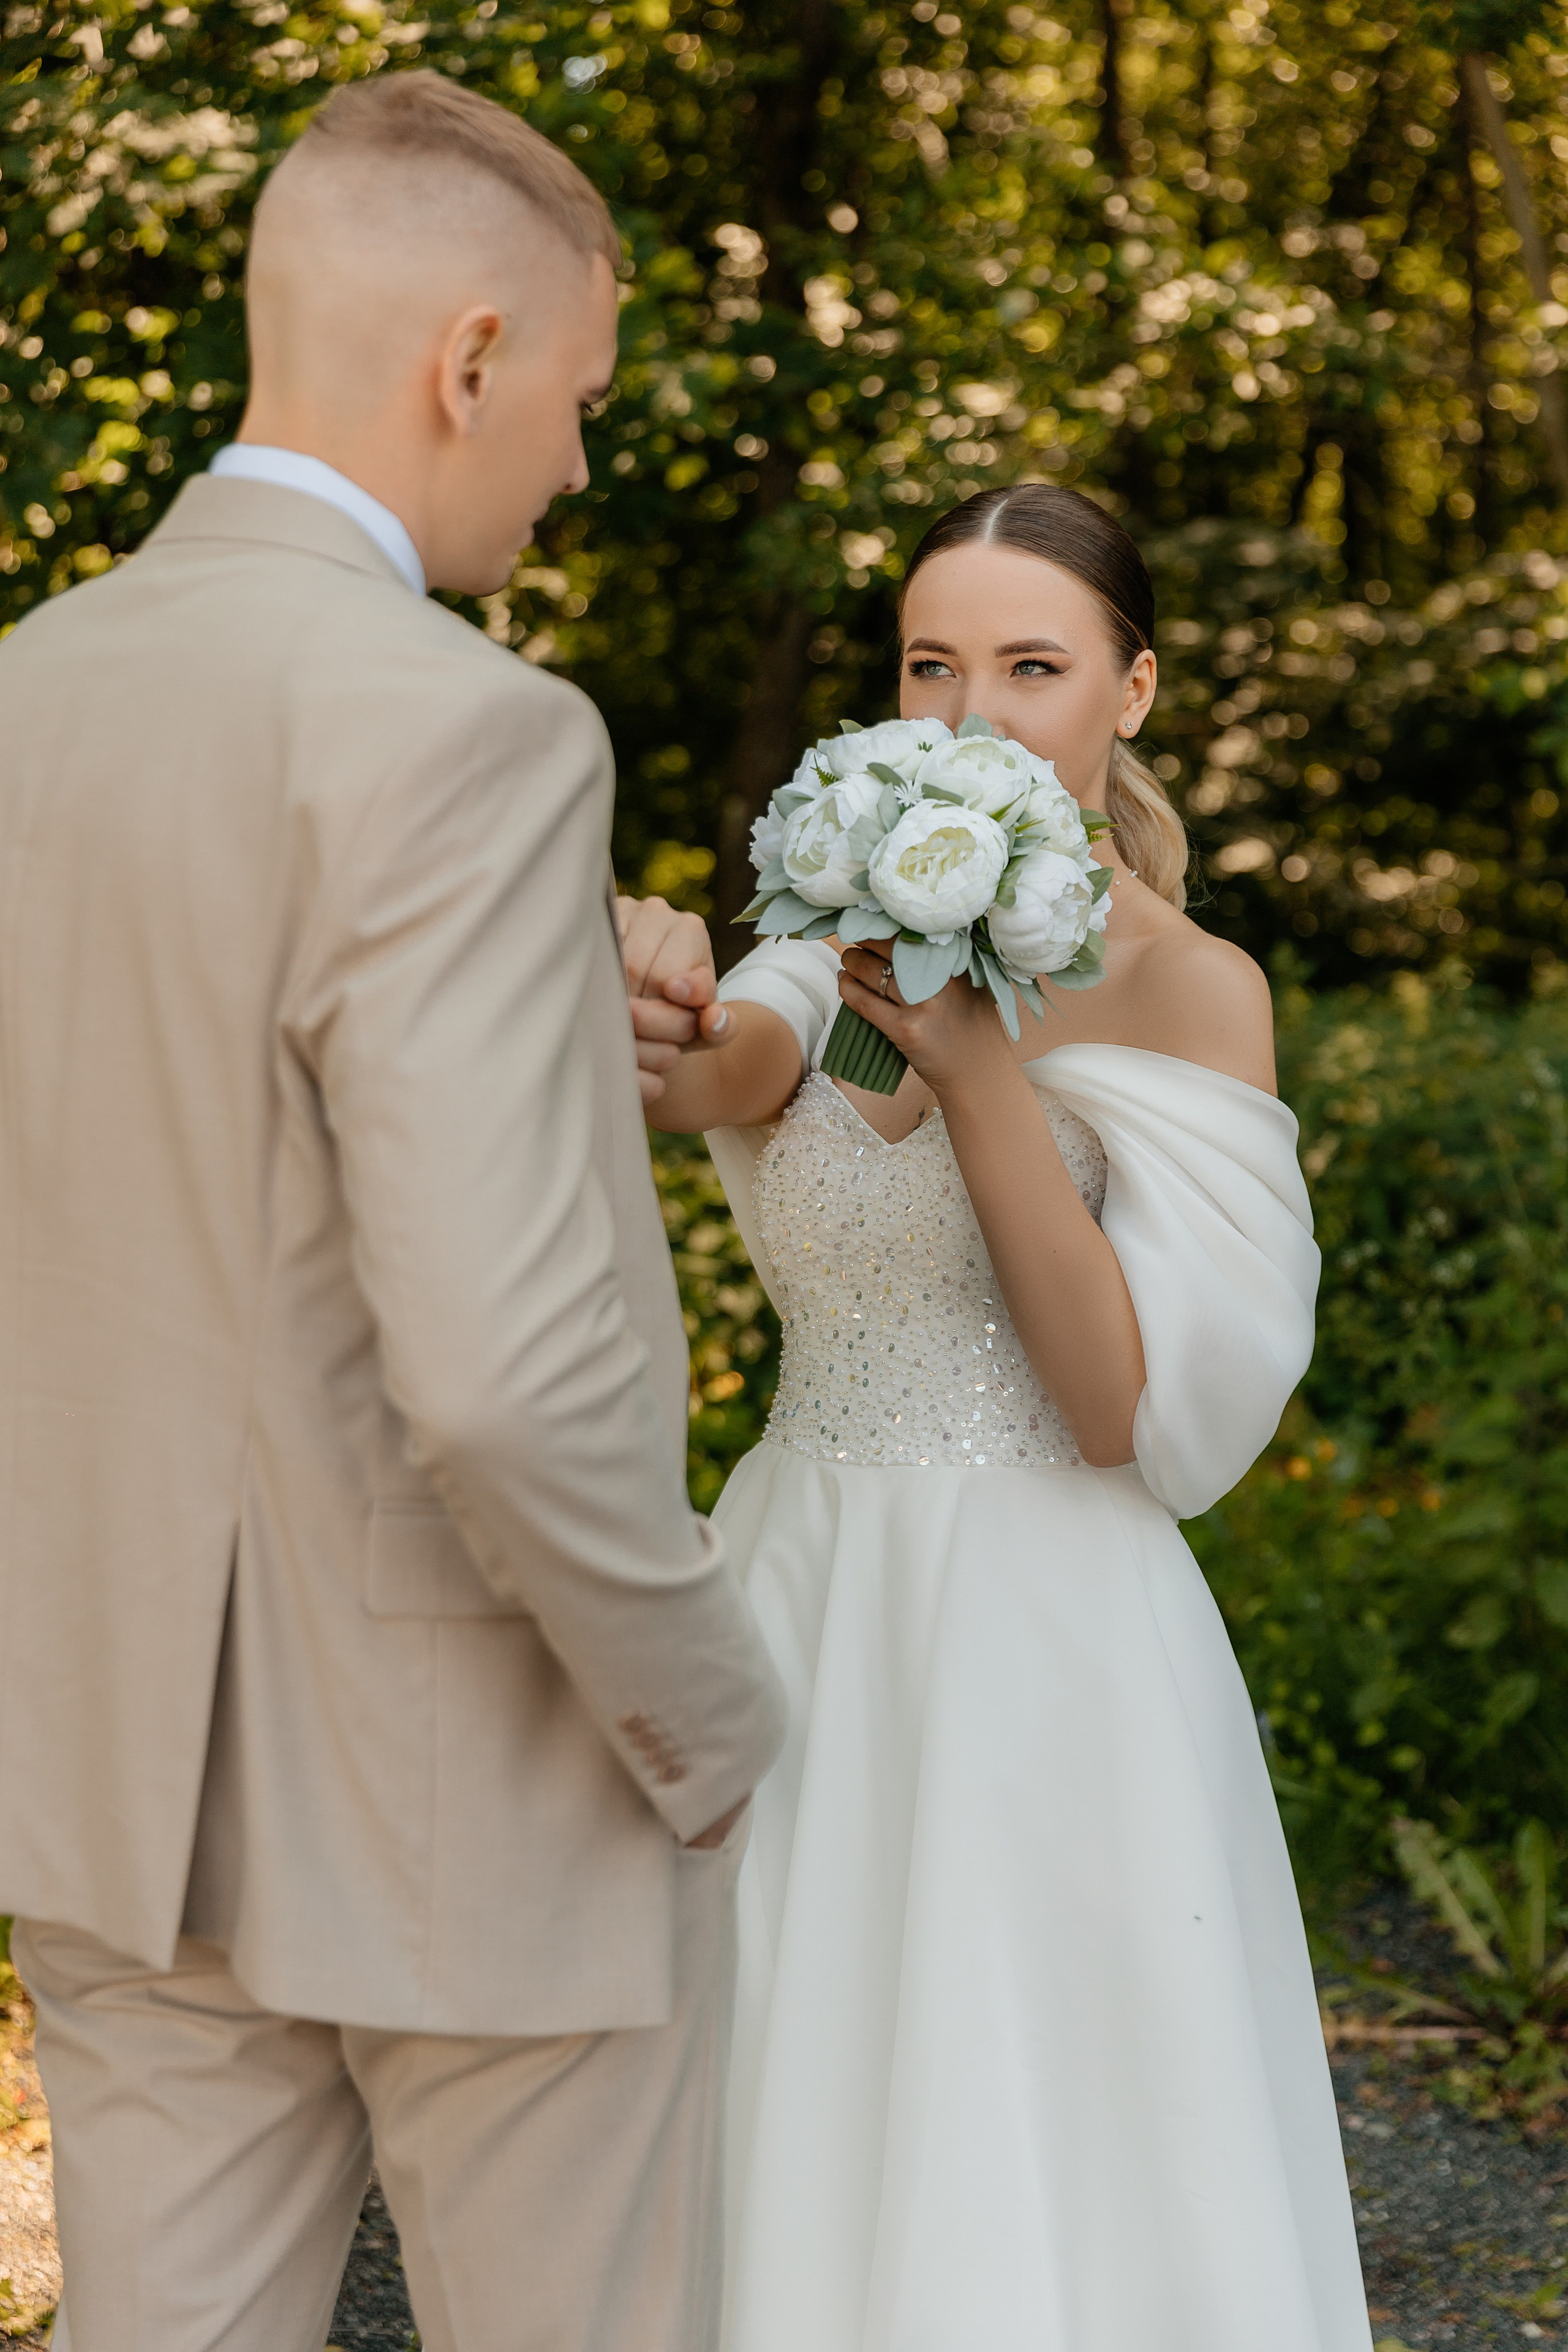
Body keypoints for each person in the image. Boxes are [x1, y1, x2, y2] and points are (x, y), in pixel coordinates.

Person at [0, 71, 784, 2352]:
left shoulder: (26, 704)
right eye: (572, 397)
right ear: (465, 360)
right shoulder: (472, 731)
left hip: (108, 1776)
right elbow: (507, 1369)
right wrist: (700, 1709)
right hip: (486, 1783)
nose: (569, 459)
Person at [633, 483, 1373, 2351]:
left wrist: (979, 1077)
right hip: (798, 1598)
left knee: (1017, 2153)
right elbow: (716, 1066)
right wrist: (645, 984)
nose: (967, 717)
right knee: (788, 2120)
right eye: (929, 665)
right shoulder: (830, 945)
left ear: (1129, 694)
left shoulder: (1191, 990)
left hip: (1045, 1645)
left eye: (1030, 667)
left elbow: (1121, 1403)